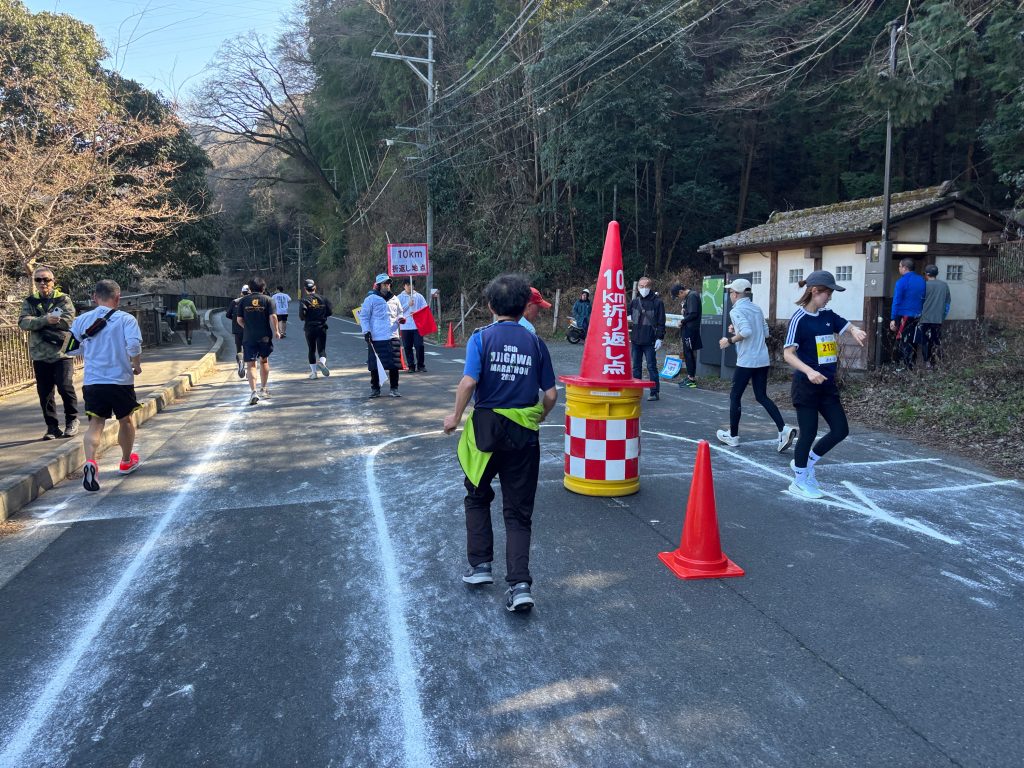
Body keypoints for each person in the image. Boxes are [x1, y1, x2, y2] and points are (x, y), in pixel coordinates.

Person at [443, 274, 557, 613]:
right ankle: (520, 585)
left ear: (491, 306)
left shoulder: (481, 338)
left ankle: (480, 565)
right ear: (524, 307)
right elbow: (551, 394)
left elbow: (469, 382)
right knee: (518, 512)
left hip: (486, 431)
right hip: (524, 433)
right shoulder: (536, 344)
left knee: (477, 495)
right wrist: (540, 415)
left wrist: (455, 417)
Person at [783, 270, 867, 500]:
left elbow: (845, 325)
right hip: (806, 386)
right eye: (827, 293)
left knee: (840, 430)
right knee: (808, 433)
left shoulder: (827, 315)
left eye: (831, 294)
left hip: (827, 386)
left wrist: (855, 330)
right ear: (814, 291)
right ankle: (798, 481)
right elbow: (788, 354)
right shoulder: (799, 319)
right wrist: (809, 372)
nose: (829, 298)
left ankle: (806, 463)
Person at [69, 280, 143, 492]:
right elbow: (134, 344)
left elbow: (71, 349)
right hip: (119, 380)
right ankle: (126, 461)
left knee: (96, 423)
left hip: (93, 381)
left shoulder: (81, 320)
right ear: (118, 298)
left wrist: (91, 348)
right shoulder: (126, 319)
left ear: (95, 297)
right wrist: (136, 364)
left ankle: (91, 462)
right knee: (125, 420)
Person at [715, 278, 796, 452]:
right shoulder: (756, 308)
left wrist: (729, 340)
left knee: (735, 396)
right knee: (761, 396)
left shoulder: (736, 311)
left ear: (736, 294)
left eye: (731, 292)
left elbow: (746, 331)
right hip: (762, 359)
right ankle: (783, 429)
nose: (730, 295)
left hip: (747, 360)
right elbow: (765, 333)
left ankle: (733, 436)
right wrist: (736, 330)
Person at [18, 266, 79, 440]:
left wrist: (41, 322)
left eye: (46, 279)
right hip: (40, 354)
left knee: (65, 387)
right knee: (45, 393)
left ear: (53, 281)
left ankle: (72, 420)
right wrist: (46, 319)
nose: (42, 283)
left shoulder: (63, 299)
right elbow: (23, 322)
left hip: (62, 352)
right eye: (38, 280)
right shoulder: (30, 301)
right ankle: (52, 427)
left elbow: (68, 321)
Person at [236, 277, 281, 405]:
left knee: (251, 365)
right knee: (264, 361)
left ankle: (253, 392)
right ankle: (264, 388)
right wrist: (276, 331)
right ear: (263, 288)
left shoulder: (243, 301)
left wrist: (248, 328)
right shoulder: (268, 300)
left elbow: (239, 320)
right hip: (264, 336)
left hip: (249, 336)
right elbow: (273, 317)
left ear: (250, 289)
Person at [359, 273, 402, 398]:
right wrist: (366, 332)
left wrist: (401, 318)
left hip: (392, 335)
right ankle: (375, 389)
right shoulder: (371, 299)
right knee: (375, 365)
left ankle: (394, 388)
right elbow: (364, 316)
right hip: (376, 337)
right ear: (378, 285)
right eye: (384, 284)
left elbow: (400, 312)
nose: (387, 286)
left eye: (388, 283)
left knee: (394, 364)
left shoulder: (395, 299)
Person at [628, 276, 666, 401]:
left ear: (650, 287)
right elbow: (623, 313)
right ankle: (636, 392)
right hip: (635, 340)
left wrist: (660, 338)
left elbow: (661, 322)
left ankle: (654, 392)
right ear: (638, 287)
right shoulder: (634, 302)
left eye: (646, 286)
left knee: (651, 367)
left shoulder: (658, 302)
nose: (643, 288)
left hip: (650, 341)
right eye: (641, 286)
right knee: (636, 367)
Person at [890, 258, 926, 370]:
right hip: (918, 315)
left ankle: (903, 366)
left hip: (904, 315)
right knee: (913, 340)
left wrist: (893, 318)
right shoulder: (921, 280)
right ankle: (911, 366)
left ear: (905, 268)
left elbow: (896, 301)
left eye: (900, 266)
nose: (899, 268)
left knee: (902, 340)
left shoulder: (901, 282)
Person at [299, 279, 332, 379]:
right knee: (321, 349)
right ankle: (322, 362)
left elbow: (302, 316)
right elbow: (330, 312)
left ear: (305, 289)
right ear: (315, 287)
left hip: (309, 327)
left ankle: (314, 373)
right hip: (321, 326)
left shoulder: (304, 300)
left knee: (311, 349)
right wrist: (322, 316)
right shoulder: (323, 299)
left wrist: (307, 317)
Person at [671, 282, 702, 389]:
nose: (678, 298)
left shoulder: (692, 296)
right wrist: (684, 310)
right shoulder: (689, 296)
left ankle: (691, 379)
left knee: (689, 353)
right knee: (687, 352)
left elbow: (693, 314)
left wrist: (682, 321)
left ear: (681, 292)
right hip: (688, 328)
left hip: (690, 329)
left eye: (678, 296)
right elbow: (690, 311)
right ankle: (690, 376)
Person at [920, 264, 951, 367]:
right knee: (936, 340)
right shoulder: (944, 285)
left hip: (924, 318)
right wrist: (942, 316)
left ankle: (927, 362)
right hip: (938, 319)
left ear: (926, 274)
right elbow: (947, 304)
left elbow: (919, 302)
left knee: (925, 341)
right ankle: (935, 362)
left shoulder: (924, 285)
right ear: (936, 274)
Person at [398, 279, 428, 372]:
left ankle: (421, 365)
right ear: (404, 286)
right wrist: (408, 304)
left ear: (414, 286)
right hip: (405, 326)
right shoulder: (399, 297)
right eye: (407, 285)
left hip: (417, 325)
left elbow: (425, 309)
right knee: (407, 346)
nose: (409, 287)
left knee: (419, 346)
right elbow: (397, 310)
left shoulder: (419, 296)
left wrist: (416, 312)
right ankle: (411, 366)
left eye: (411, 285)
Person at [225, 285, 250, 378]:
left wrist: (236, 320)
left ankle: (240, 362)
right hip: (249, 329)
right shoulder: (251, 301)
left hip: (237, 329)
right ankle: (249, 371)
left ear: (241, 292)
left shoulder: (235, 302)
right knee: (249, 350)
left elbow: (227, 315)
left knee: (239, 349)